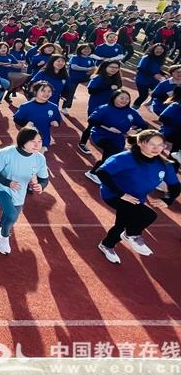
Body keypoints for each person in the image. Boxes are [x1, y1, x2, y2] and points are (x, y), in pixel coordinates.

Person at [96, 130, 180, 264]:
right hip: (114, 195)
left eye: (160, 145)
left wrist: (167, 199)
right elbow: (101, 172)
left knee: (122, 223)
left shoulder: (165, 164)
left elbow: (175, 186)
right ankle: (132, 234)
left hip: (136, 198)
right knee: (148, 215)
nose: (156, 148)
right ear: (140, 143)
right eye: (152, 144)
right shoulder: (125, 158)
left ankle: (107, 245)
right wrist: (121, 194)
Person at [0, 128, 49, 255]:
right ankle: (4, 237)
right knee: (11, 215)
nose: (37, 144)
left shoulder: (40, 159)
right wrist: (7, 182)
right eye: (33, 141)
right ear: (23, 141)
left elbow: (44, 179)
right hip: (1, 187)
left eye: (40, 141)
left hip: (19, 191)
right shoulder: (6, 153)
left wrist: (41, 186)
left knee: (8, 215)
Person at [84, 90, 148, 185]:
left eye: (127, 98)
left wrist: (135, 131)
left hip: (118, 138)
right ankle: (94, 173)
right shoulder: (104, 108)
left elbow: (143, 125)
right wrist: (108, 128)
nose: (124, 100)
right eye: (121, 98)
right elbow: (92, 120)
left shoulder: (131, 112)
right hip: (101, 135)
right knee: (111, 151)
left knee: (115, 155)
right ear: (114, 98)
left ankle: (107, 171)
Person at [77, 60, 122, 154]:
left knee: (108, 125)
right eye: (111, 67)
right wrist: (108, 87)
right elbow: (91, 90)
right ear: (105, 67)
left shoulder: (117, 78)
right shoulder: (98, 77)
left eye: (116, 67)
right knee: (92, 124)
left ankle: (106, 143)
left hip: (110, 107)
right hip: (96, 106)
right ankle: (82, 143)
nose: (114, 69)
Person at [12, 81, 62, 152]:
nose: (46, 93)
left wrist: (56, 122)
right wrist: (26, 124)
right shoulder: (26, 106)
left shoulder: (53, 107)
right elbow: (16, 118)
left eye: (49, 91)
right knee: (26, 156)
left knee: (39, 155)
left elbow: (58, 119)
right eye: (43, 91)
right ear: (35, 92)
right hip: (28, 138)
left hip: (43, 138)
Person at [133, 44, 167, 109]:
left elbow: (156, 69)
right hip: (142, 80)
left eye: (161, 49)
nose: (159, 50)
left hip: (153, 80)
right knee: (143, 96)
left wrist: (164, 74)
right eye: (157, 49)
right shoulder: (147, 57)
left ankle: (151, 102)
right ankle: (134, 108)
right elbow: (140, 68)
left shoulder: (160, 58)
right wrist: (154, 75)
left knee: (160, 91)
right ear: (153, 49)